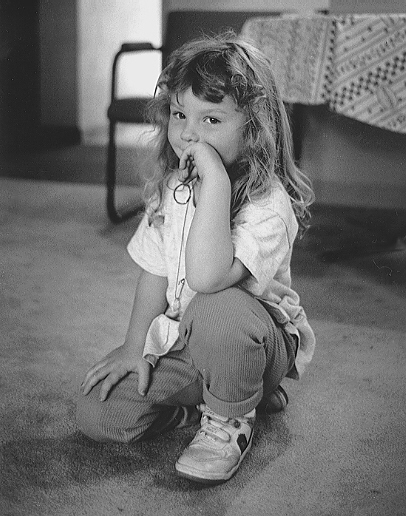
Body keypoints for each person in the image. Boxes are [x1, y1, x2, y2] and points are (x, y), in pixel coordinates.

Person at [77, 33, 316, 484]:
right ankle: (209, 404)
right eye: (179, 113)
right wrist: (134, 349)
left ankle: (232, 421)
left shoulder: (269, 204)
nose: (188, 133)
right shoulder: (174, 187)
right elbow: (155, 270)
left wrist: (217, 185)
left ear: (253, 130)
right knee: (99, 414)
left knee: (216, 307)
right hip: (187, 342)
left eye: (210, 119)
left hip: (251, 342)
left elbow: (208, 277)